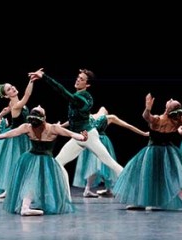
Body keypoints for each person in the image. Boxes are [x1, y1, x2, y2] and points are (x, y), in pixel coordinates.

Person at [0, 105, 88, 216]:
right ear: (44, 117)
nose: (39, 105)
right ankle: (25, 207)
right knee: (33, 181)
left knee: (33, 181)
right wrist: (83, 137)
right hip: (44, 160)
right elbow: (73, 134)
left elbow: (4, 135)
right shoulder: (53, 128)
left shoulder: (27, 127)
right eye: (39, 108)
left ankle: (27, 206)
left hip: (30, 158)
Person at [28, 68, 123, 196]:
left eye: (82, 79)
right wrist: (61, 126)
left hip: (88, 136)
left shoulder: (83, 98)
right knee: (58, 163)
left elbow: (63, 91)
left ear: (87, 84)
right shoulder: (80, 96)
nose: (78, 80)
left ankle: (134, 188)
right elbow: (74, 119)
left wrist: (44, 77)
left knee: (109, 162)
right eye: (78, 77)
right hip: (78, 137)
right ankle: (62, 195)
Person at [72, 107, 149, 197]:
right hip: (100, 141)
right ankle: (88, 189)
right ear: (106, 111)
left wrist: (60, 127)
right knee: (101, 165)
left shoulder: (90, 116)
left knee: (95, 165)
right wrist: (143, 133)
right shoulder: (108, 117)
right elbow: (128, 126)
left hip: (90, 141)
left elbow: (72, 121)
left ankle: (104, 189)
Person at [0, 77, 38, 198]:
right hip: (16, 138)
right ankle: (11, 189)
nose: (12, 88)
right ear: (7, 95)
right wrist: (31, 81)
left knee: (23, 164)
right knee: (15, 163)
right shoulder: (17, 105)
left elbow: (7, 108)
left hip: (24, 135)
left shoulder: (13, 103)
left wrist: (0, 115)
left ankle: (21, 188)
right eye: (9, 89)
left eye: (11, 86)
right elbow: (27, 95)